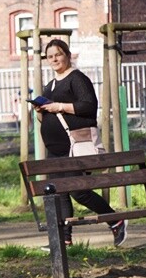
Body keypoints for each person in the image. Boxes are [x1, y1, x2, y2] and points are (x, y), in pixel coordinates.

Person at [34, 39, 126, 247]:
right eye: (50, 56)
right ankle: (64, 238)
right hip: (55, 150)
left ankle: (115, 220)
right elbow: (47, 117)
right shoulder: (50, 86)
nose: (54, 59)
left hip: (75, 145)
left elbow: (88, 106)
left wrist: (60, 106)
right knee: (58, 192)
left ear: (67, 55)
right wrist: (41, 112)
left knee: (78, 190)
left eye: (58, 54)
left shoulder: (77, 79)